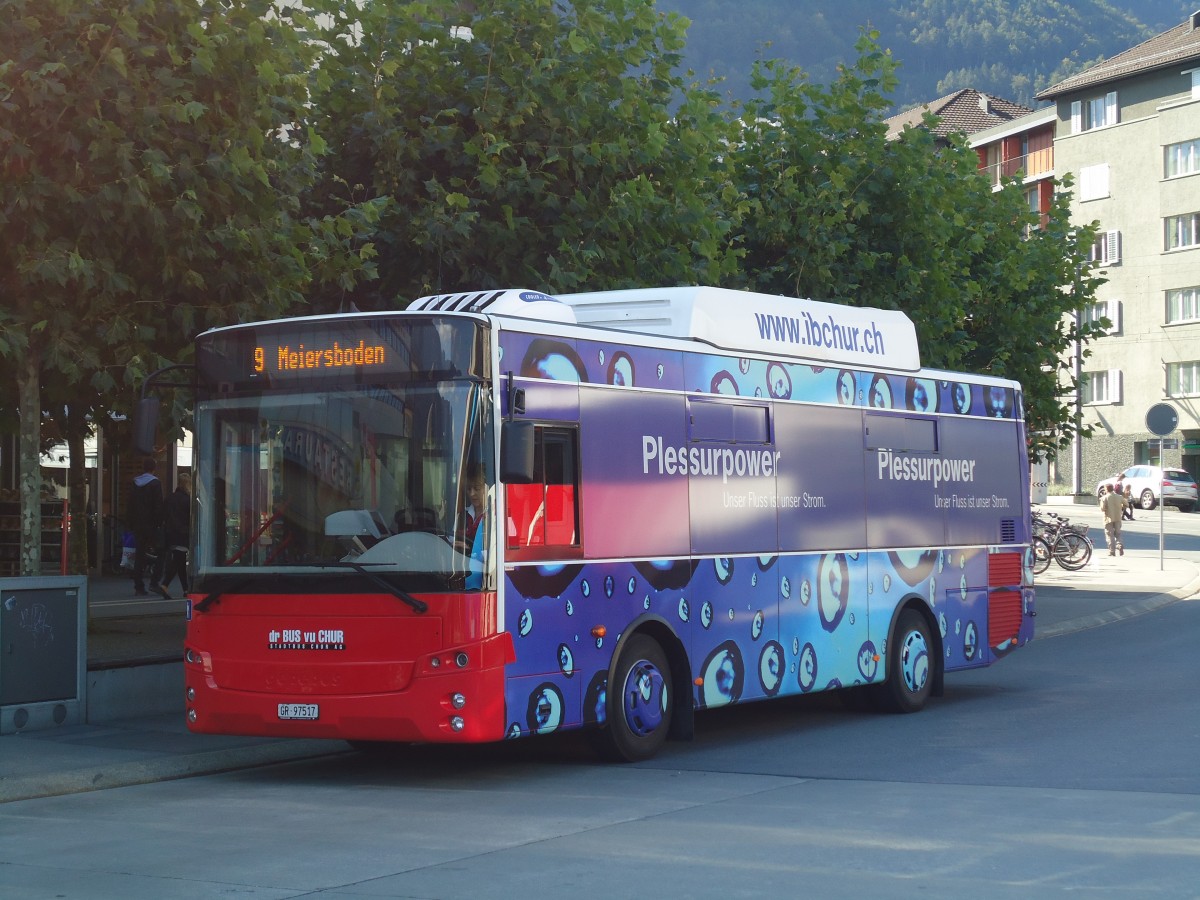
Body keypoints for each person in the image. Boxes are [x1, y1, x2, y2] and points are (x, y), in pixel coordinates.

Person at [127, 457, 165, 596]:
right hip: (151, 525)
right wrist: (158, 523)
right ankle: (154, 582)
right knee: (161, 551)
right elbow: (158, 506)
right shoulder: (155, 483)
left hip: (138, 524)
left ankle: (138, 585)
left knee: (139, 554)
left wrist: (130, 523)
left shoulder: (135, 483)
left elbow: (130, 504)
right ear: (154, 468)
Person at [159, 472, 191, 599]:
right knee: (179, 562)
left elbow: (163, 515)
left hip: (170, 533)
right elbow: (190, 518)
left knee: (179, 561)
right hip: (182, 533)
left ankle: (185, 589)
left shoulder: (169, 498)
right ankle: (165, 584)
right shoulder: (187, 500)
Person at [1099, 483, 1126, 556]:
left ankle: (1112, 551)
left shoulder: (1104, 498)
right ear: (1113, 488)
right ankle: (1119, 545)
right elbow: (1126, 504)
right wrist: (1121, 507)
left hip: (1108, 518)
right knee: (1118, 534)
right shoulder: (1119, 497)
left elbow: (1102, 508)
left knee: (1109, 535)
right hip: (1117, 517)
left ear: (1106, 489)